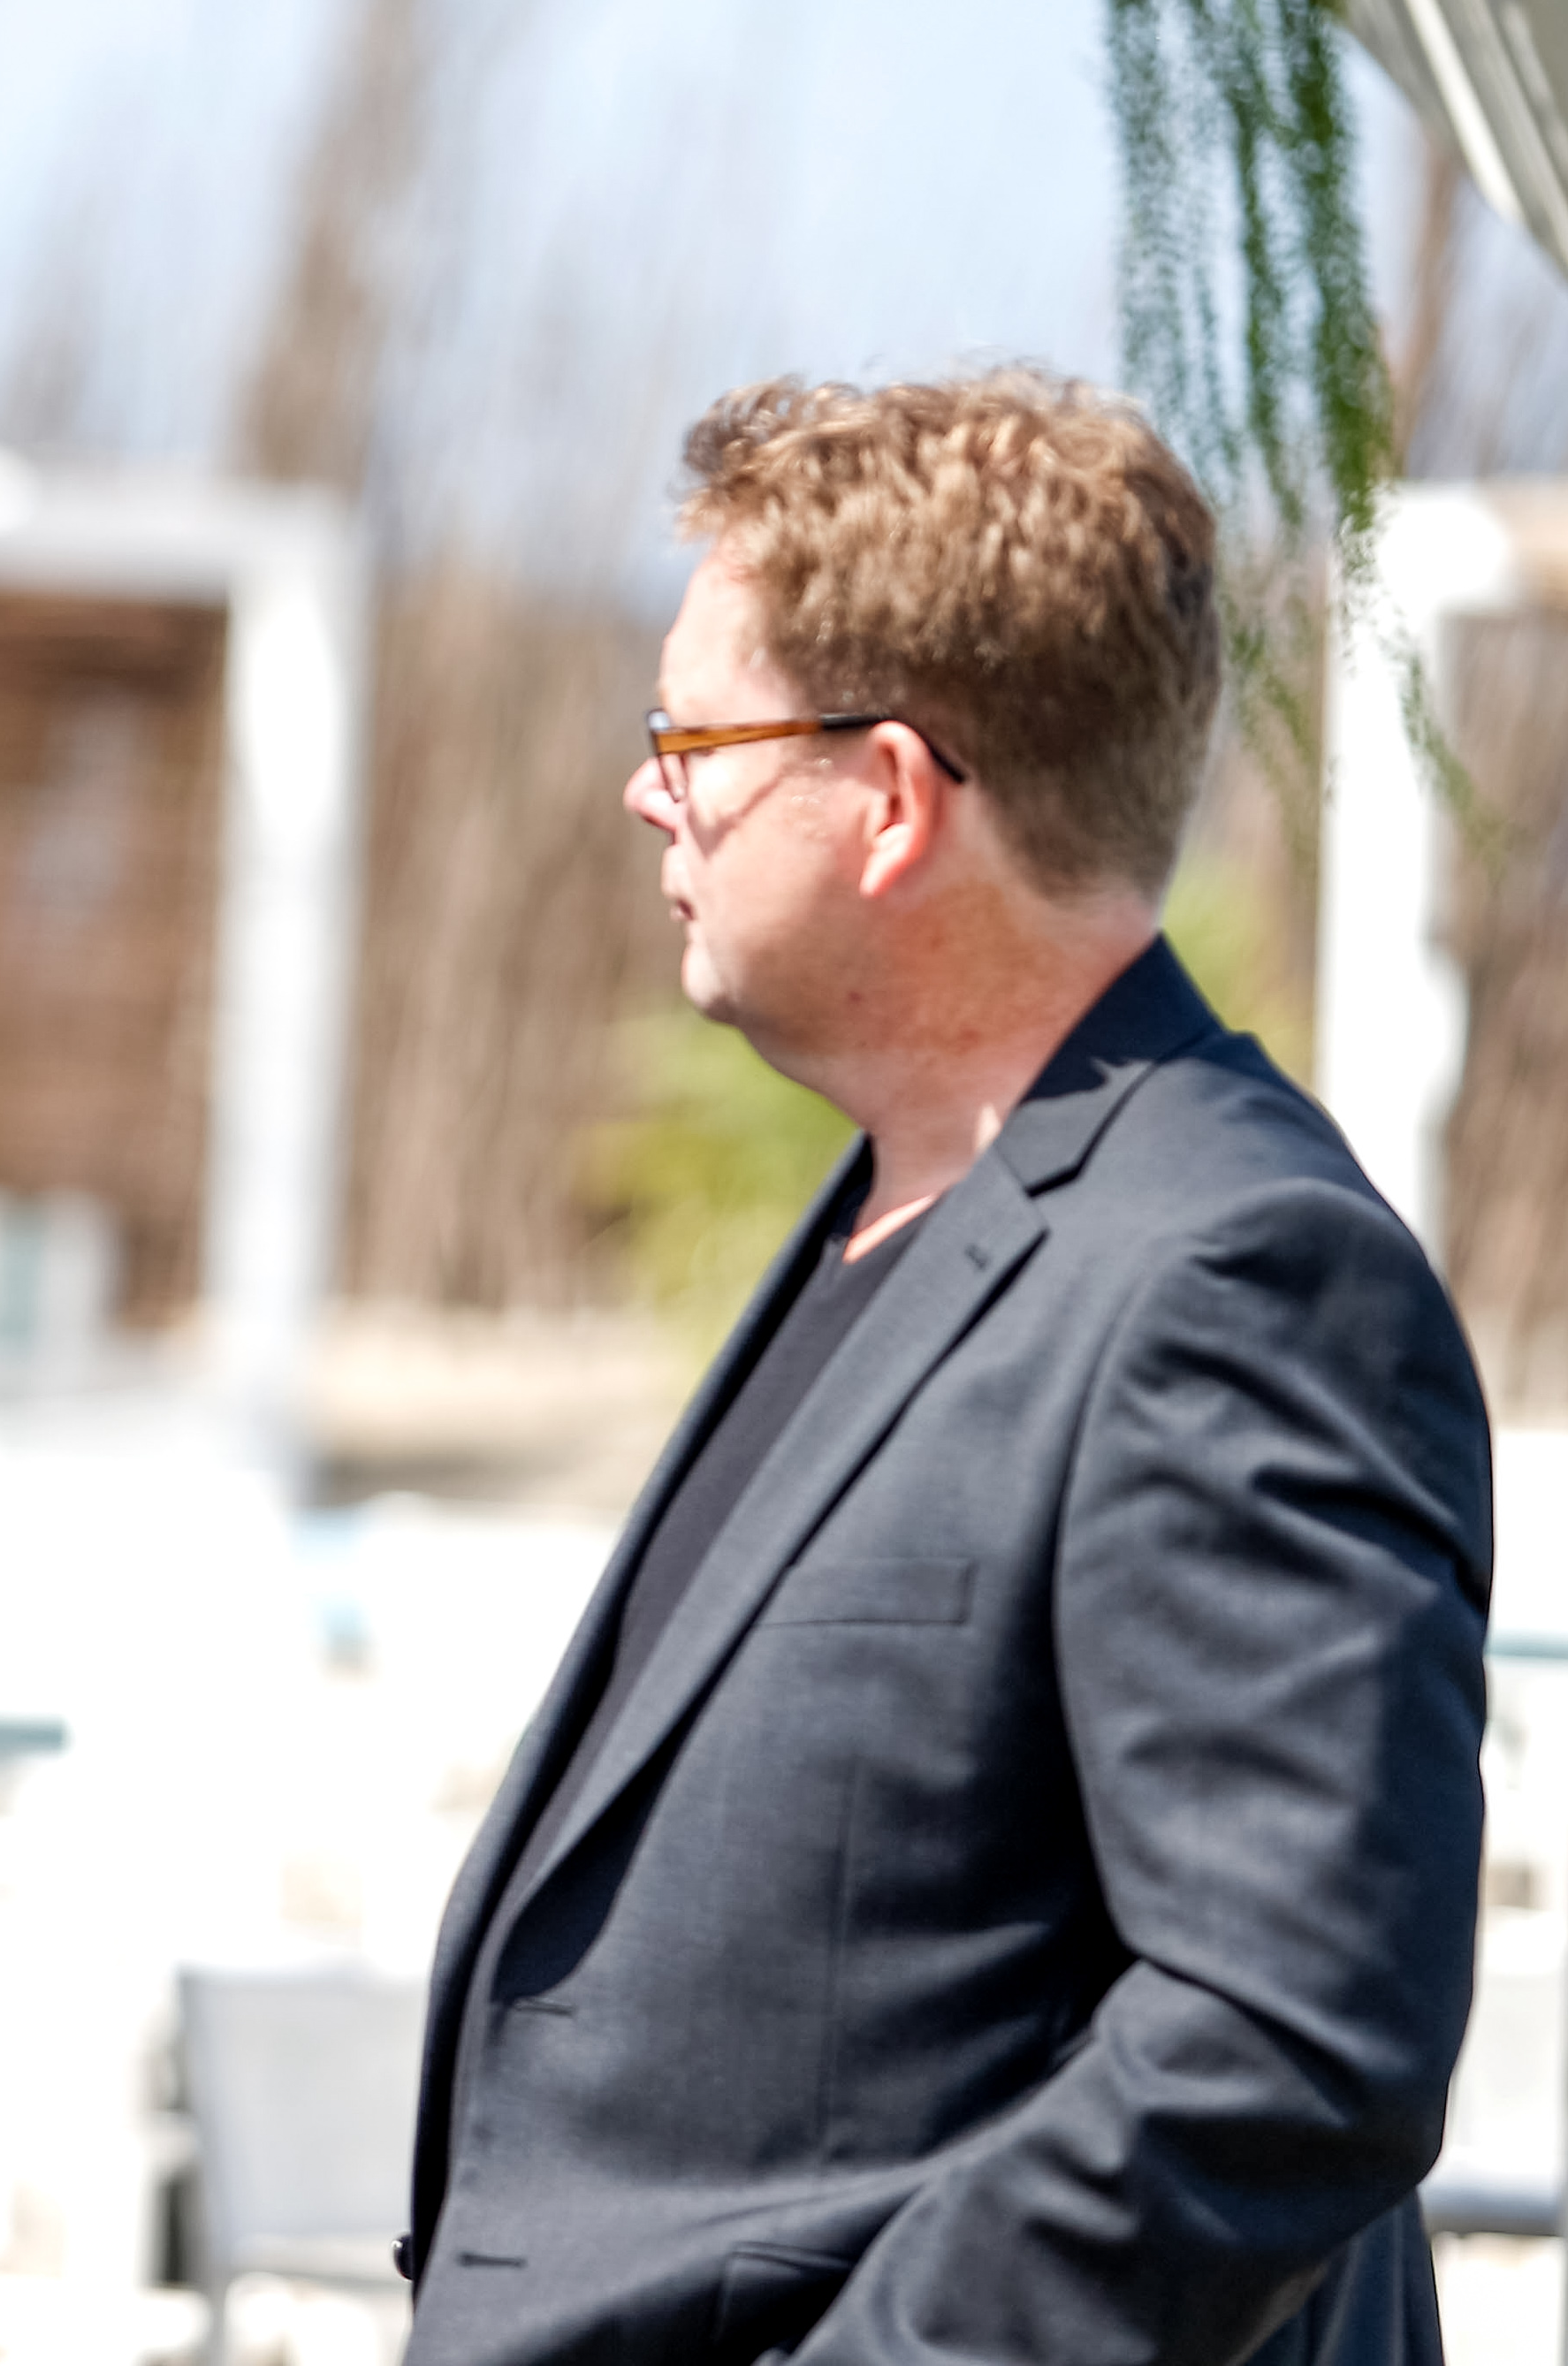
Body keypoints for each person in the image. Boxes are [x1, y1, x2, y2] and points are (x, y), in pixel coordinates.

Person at [399, 371, 1491, 2366]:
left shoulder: (1230, 1270)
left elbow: (1291, 2041)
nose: (649, 794)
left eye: (693, 740)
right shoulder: (916, 1206)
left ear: (891, 800)